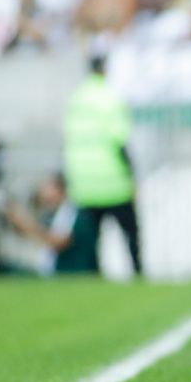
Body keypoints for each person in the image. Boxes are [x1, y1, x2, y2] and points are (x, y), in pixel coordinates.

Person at [64, 54, 142, 275]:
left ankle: (94, 276)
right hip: (113, 180)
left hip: (84, 182)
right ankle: (137, 273)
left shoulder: (76, 100)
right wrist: (133, 175)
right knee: (131, 235)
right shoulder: (111, 98)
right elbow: (120, 140)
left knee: (92, 240)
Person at [3, 171, 99, 274]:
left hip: (73, 271)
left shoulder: (73, 211)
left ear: (59, 189)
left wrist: (26, 223)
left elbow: (58, 242)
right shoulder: (51, 214)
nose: (42, 193)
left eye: (47, 188)